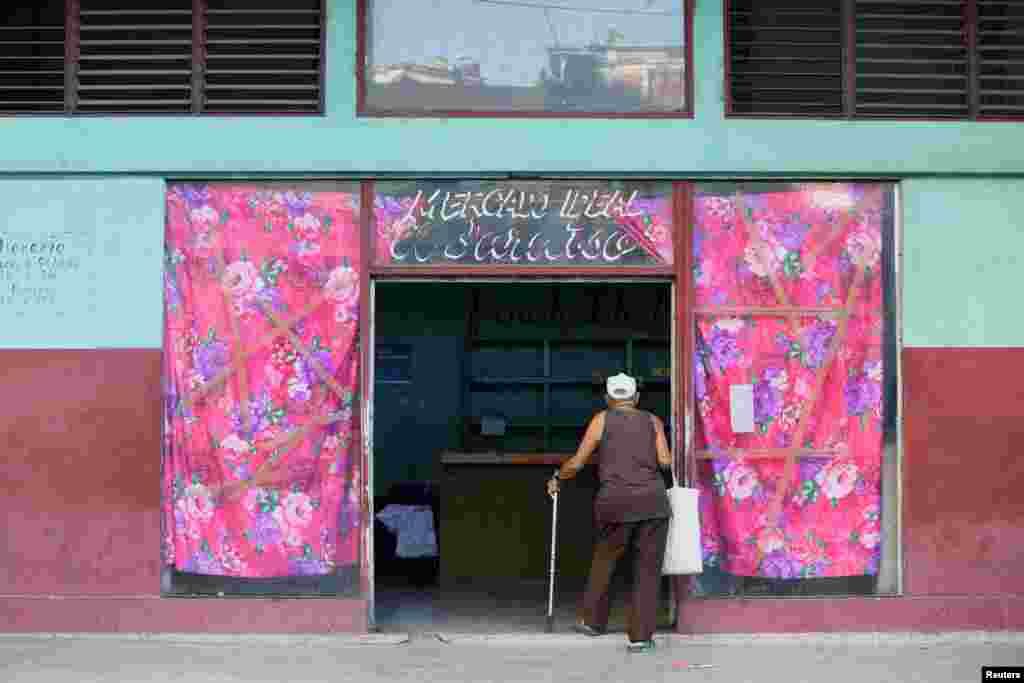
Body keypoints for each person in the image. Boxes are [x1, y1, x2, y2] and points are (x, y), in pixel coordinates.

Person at [546, 372, 673, 653]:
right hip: (652, 503)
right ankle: (640, 638)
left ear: (607, 398)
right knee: (647, 570)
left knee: (605, 559)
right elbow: (665, 461)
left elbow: (577, 463)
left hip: (614, 503)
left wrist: (559, 476)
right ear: (636, 398)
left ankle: (592, 622)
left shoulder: (601, 420)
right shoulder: (653, 421)